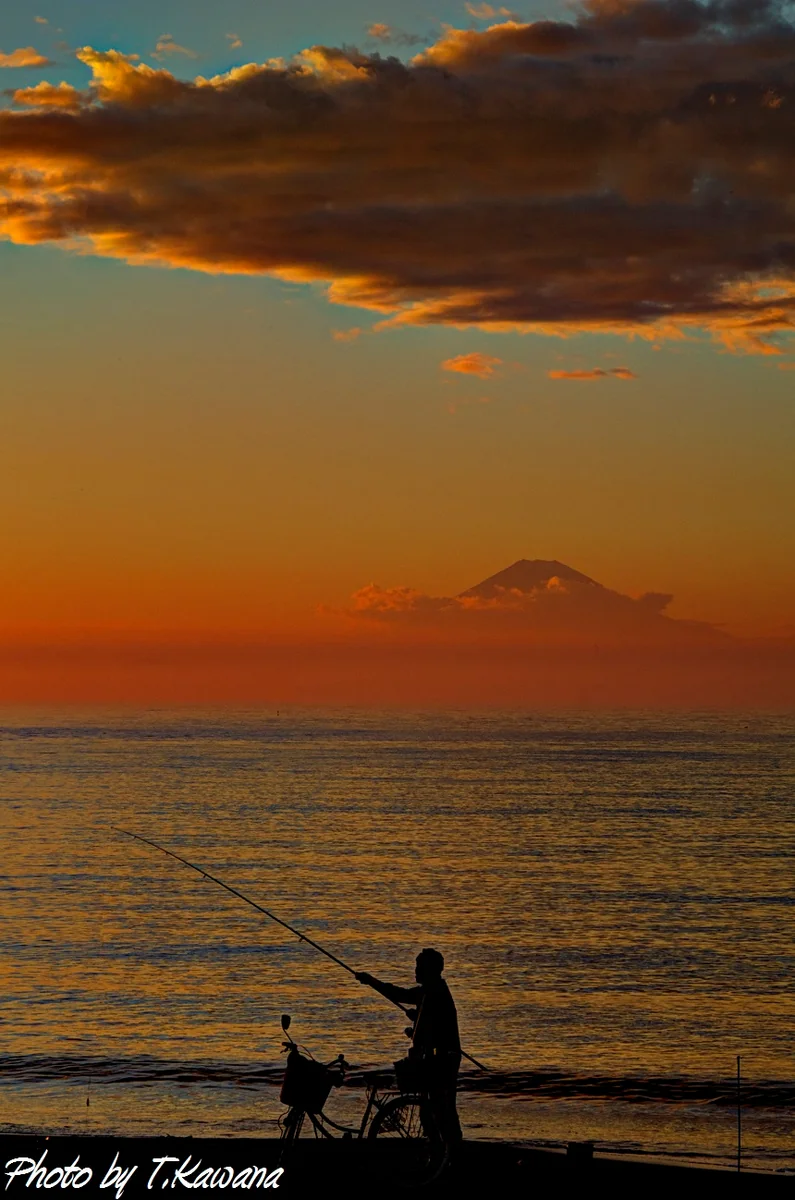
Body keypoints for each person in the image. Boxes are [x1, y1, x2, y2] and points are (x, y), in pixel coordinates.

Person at [355, 947, 462, 1143]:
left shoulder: (434, 993)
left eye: (419, 967)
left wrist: (371, 981)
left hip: (442, 1059)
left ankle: (449, 1154)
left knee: (441, 1111)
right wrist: (416, 1021)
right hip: (436, 1057)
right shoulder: (429, 992)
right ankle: (442, 1153)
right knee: (432, 1112)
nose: (416, 971)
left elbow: (400, 996)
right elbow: (406, 1000)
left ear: (430, 970)